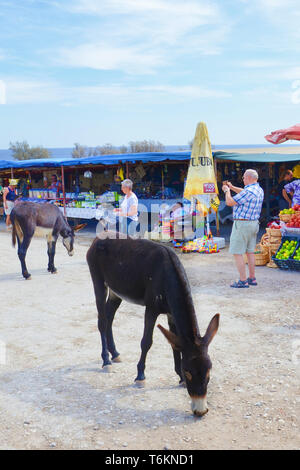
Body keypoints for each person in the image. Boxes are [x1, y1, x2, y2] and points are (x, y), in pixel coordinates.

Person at [222, 169, 264, 288]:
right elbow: (244, 193)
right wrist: (233, 187)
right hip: (254, 223)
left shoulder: (248, 191)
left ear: (249, 178)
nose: (243, 179)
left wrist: (227, 191)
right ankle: (252, 278)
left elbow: (229, 202)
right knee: (250, 252)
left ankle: (243, 280)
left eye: (244, 178)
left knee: (237, 252)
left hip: (242, 225)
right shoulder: (258, 189)